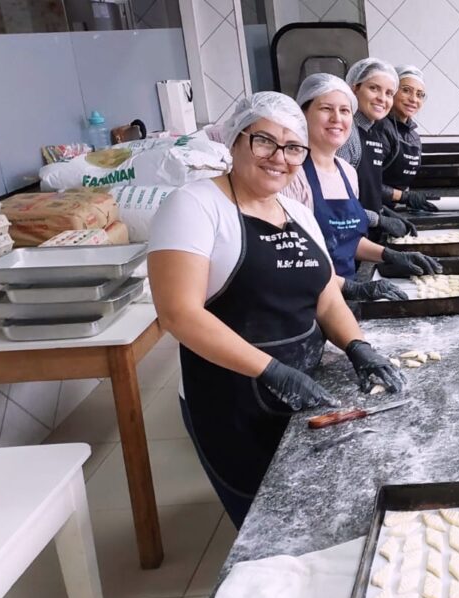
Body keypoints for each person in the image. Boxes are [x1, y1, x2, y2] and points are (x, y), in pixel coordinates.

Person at [147, 92, 405, 527]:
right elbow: (179, 313)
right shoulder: (195, 206)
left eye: (292, 148)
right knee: (264, 527)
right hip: (229, 402)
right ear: (234, 141)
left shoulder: (297, 213)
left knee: (313, 516)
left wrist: (357, 345)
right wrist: (272, 372)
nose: (279, 158)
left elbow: (325, 296)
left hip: (305, 390)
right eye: (264, 141)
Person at [284, 73, 440, 303]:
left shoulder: (346, 171)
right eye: (326, 109)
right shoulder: (291, 175)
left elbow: (346, 240)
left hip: (342, 296)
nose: (337, 118)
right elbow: (291, 259)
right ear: (304, 114)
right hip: (308, 301)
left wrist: (388, 254)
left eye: (345, 111)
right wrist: (352, 288)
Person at [337, 57, 415, 241]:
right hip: (348, 239)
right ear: (354, 88)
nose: (382, 98)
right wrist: (379, 220)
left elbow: (366, 189)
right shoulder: (346, 136)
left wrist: (384, 211)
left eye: (389, 93)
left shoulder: (372, 131)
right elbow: (338, 204)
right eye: (374, 88)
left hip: (366, 236)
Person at [381, 64, 436, 212]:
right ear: (392, 92)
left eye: (419, 94)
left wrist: (408, 198)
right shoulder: (379, 129)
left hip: (393, 209)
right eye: (406, 90)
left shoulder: (413, 136)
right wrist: (405, 197)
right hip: (372, 210)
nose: (413, 99)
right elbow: (366, 184)